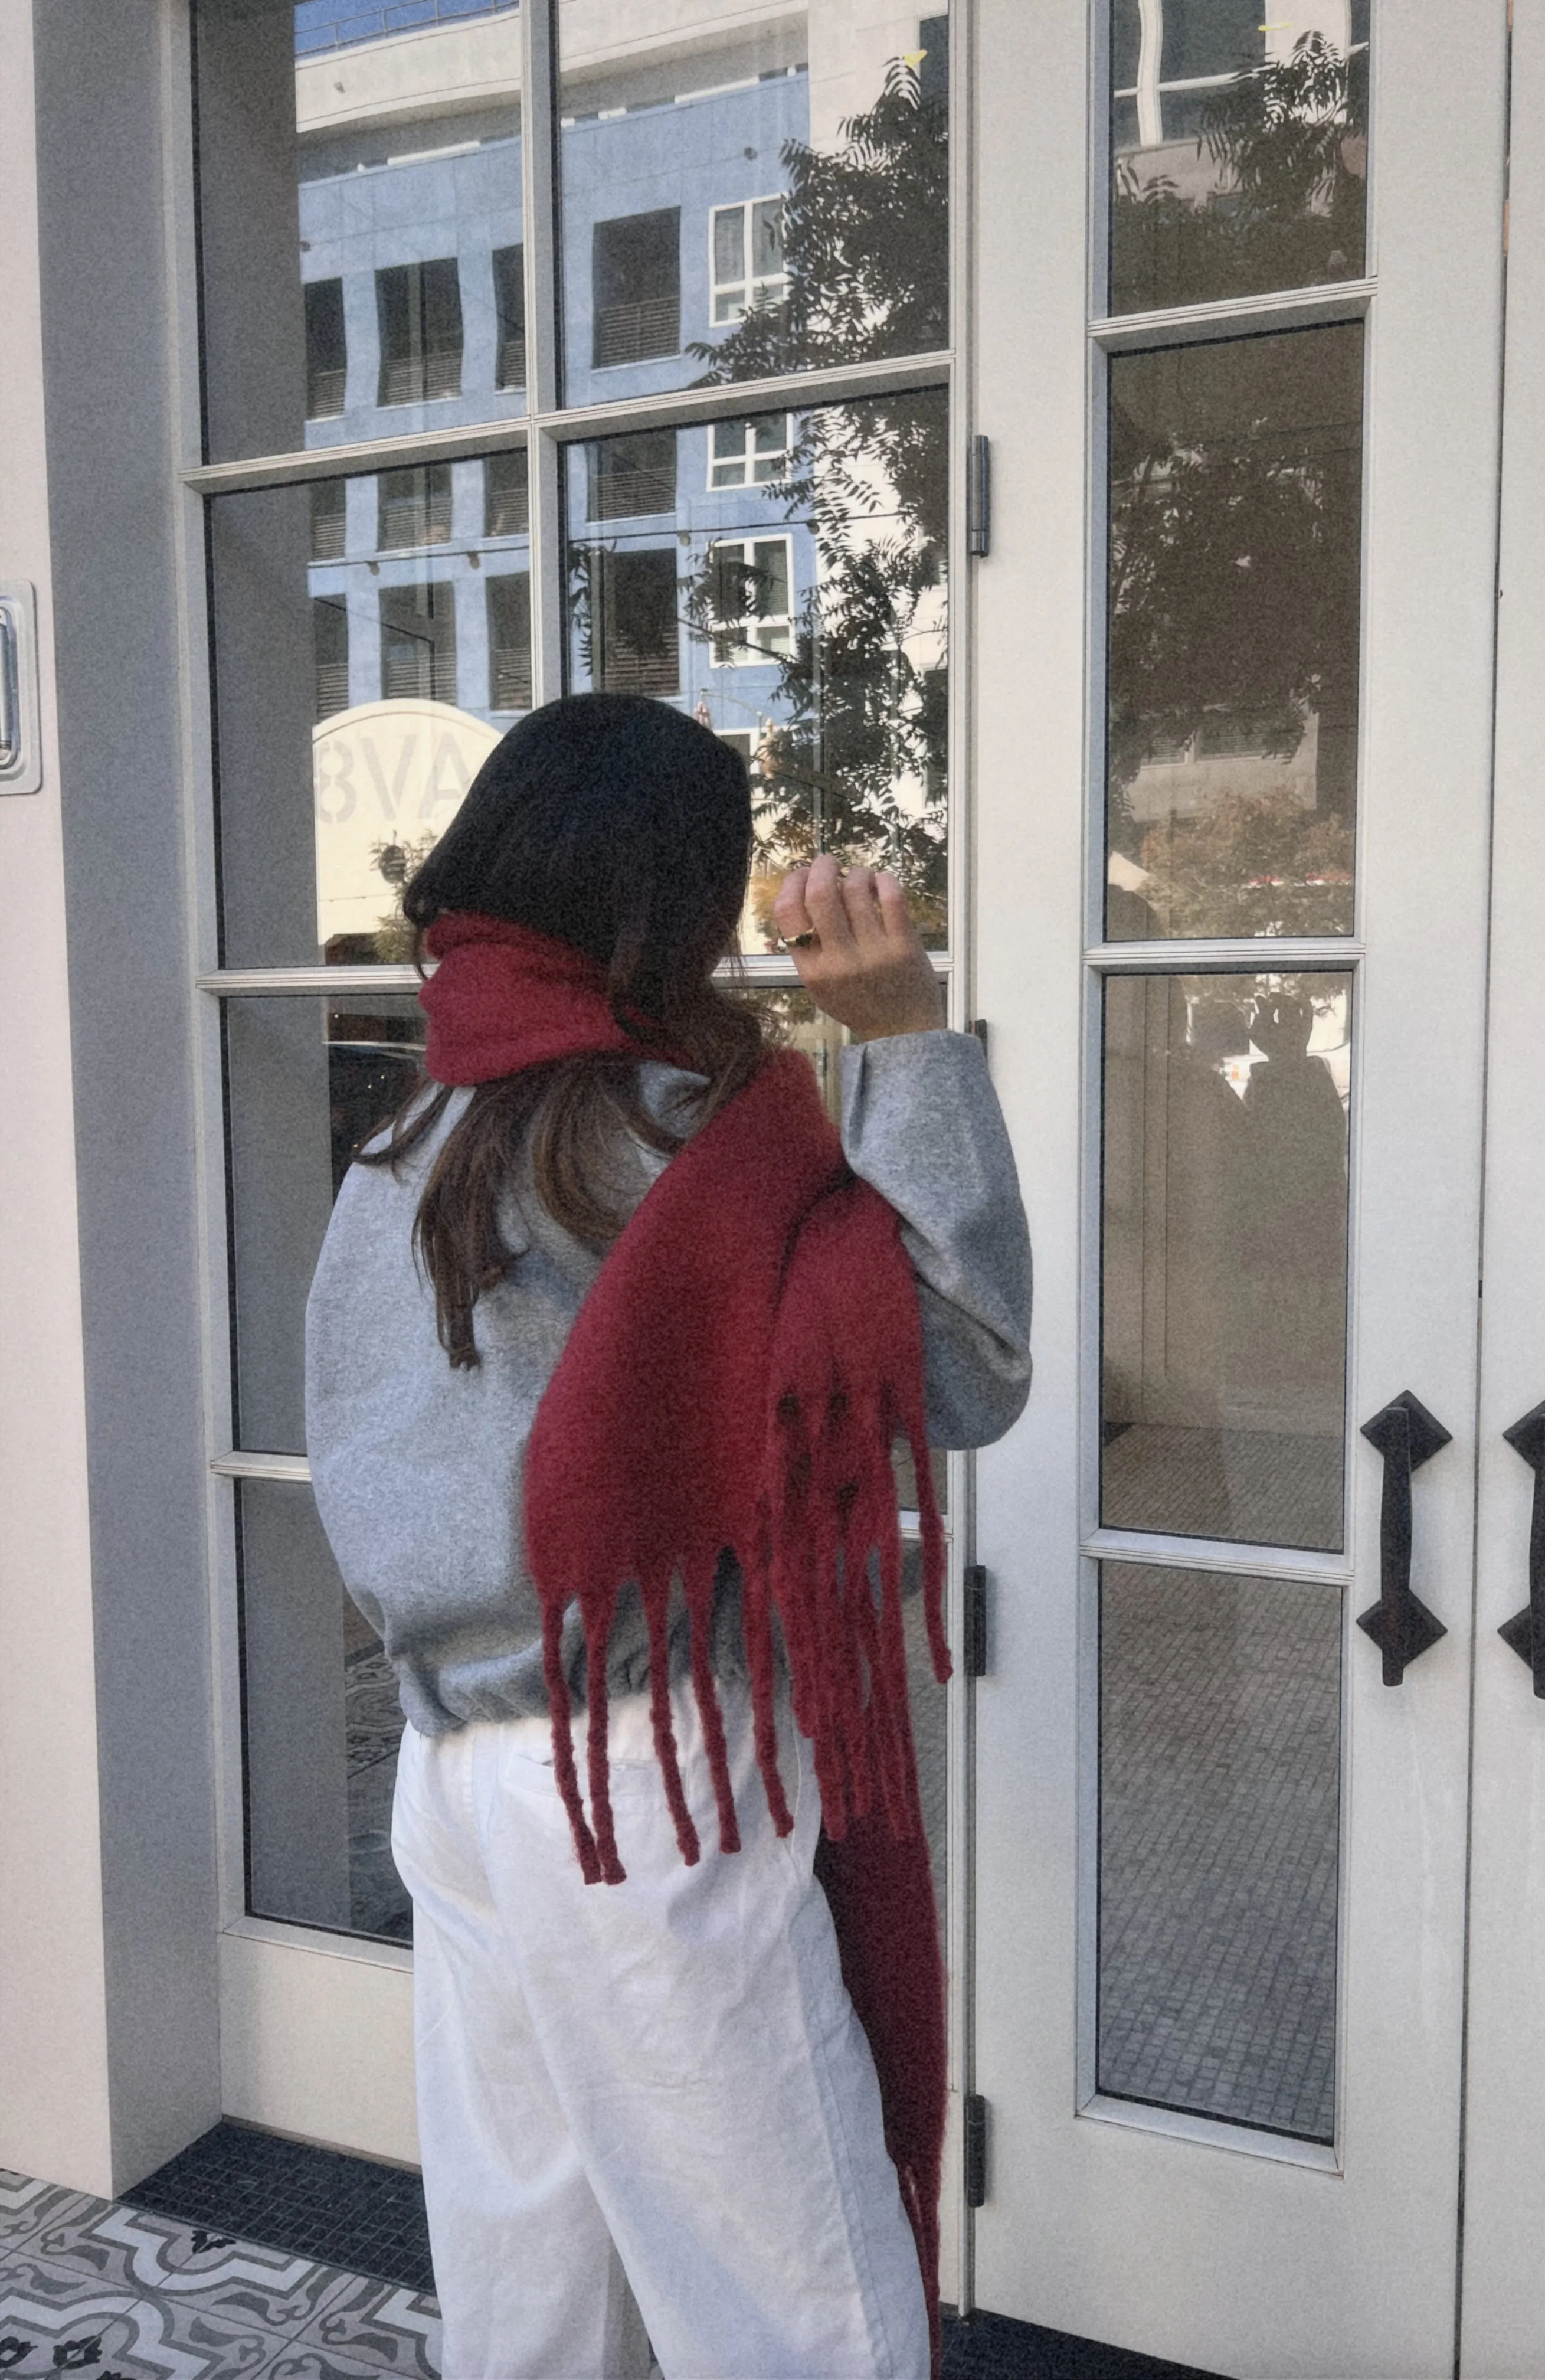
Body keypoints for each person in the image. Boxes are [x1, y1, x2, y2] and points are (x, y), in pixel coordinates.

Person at [304, 692, 1032, 2380]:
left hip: (457, 1773)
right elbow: (968, 1369)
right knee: (799, 2303)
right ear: (677, 907)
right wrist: (907, 1034)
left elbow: (364, 1459)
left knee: (536, 2293)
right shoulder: (697, 1141)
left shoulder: (405, 1140)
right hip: (651, 1781)